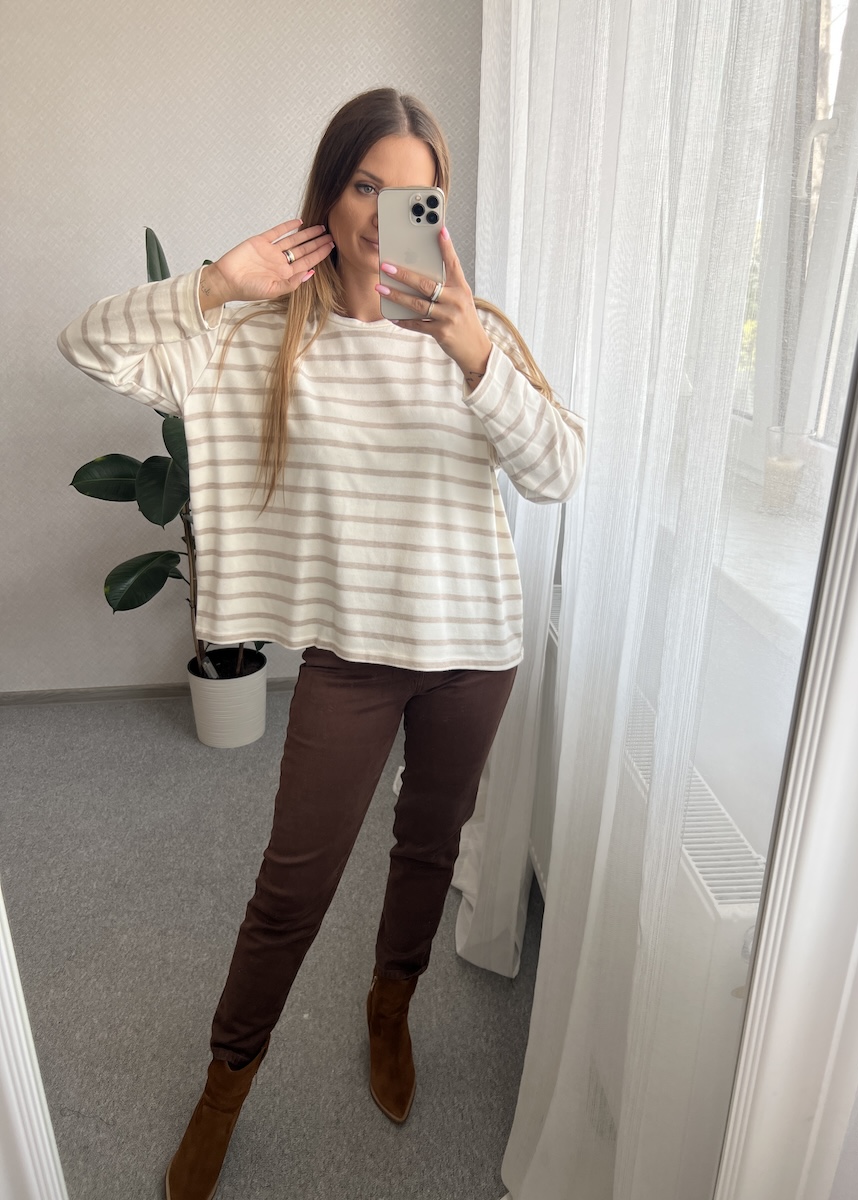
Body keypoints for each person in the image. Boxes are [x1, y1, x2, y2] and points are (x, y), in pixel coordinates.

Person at [58, 87, 585, 1200]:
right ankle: (225, 1086)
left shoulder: (475, 332)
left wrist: (475, 355)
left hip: (474, 651)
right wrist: (214, 284)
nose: (383, 216)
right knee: (290, 891)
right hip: (354, 656)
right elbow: (87, 345)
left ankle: (390, 1004)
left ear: (440, 207)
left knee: (427, 850)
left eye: (413, 196)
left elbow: (558, 474)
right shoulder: (261, 339)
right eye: (364, 186)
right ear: (328, 192)